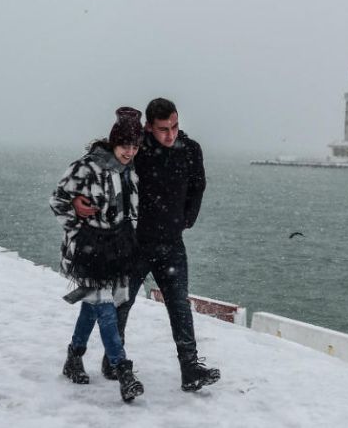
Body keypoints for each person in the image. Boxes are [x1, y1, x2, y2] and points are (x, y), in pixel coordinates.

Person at [74, 98, 220, 392]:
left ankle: (190, 369)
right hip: (136, 244)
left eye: (175, 126)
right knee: (121, 305)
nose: (171, 134)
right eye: (163, 129)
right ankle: (113, 361)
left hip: (171, 244)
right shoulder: (138, 150)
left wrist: (187, 219)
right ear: (149, 128)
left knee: (180, 306)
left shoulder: (190, 150)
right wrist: (81, 196)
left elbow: (198, 185)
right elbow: (102, 156)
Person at [49, 106, 146, 403]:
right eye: (124, 145)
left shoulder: (129, 170)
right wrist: (79, 232)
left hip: (116, 250)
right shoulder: (87, 167)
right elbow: (58, 201)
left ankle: (73, 357)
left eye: (134, 146)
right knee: (105, 307)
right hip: (89, 250)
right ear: (113, 142)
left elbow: (130, 210)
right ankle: (124, 370)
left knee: (93, 305)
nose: (129, 152)